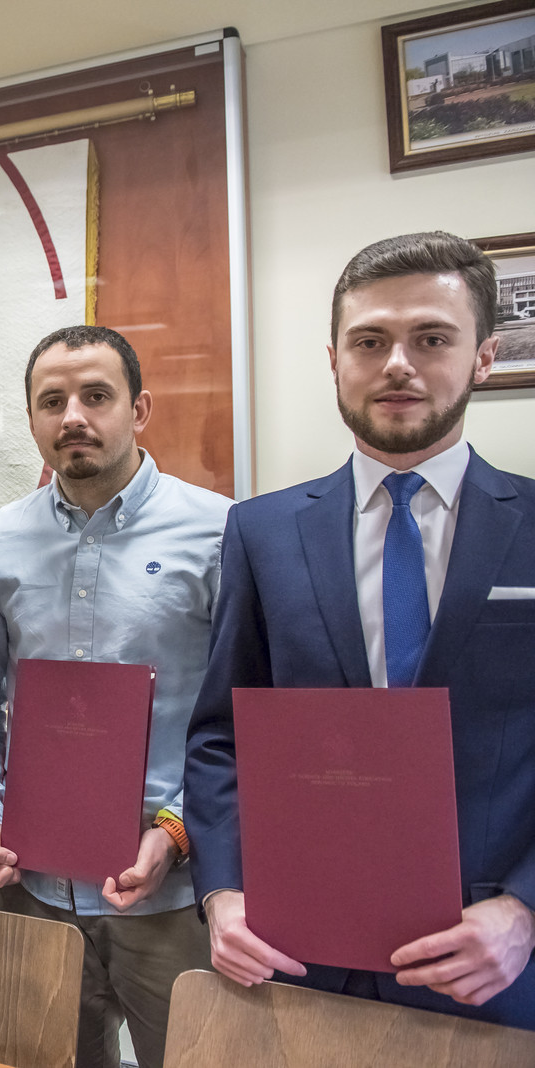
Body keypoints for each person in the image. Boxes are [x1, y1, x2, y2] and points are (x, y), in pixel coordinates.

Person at [185, 231, 535, 1029]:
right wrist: (223, 891)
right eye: (370, 341)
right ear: (335, 361)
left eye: (432, 339)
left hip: (498, 970)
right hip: (298, 959)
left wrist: (526, 910)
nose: (397, 365)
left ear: (484, 357)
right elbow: (219, 736)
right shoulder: (262, 532)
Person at [0, 325, 229, 1067]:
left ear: (138, 410)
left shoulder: (218, 531)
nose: (73, 416)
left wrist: (176, 832)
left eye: (96, 396)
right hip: (32, 886)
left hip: (170, 892)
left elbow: (239, 716)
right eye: (52, 401)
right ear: (32, 418)